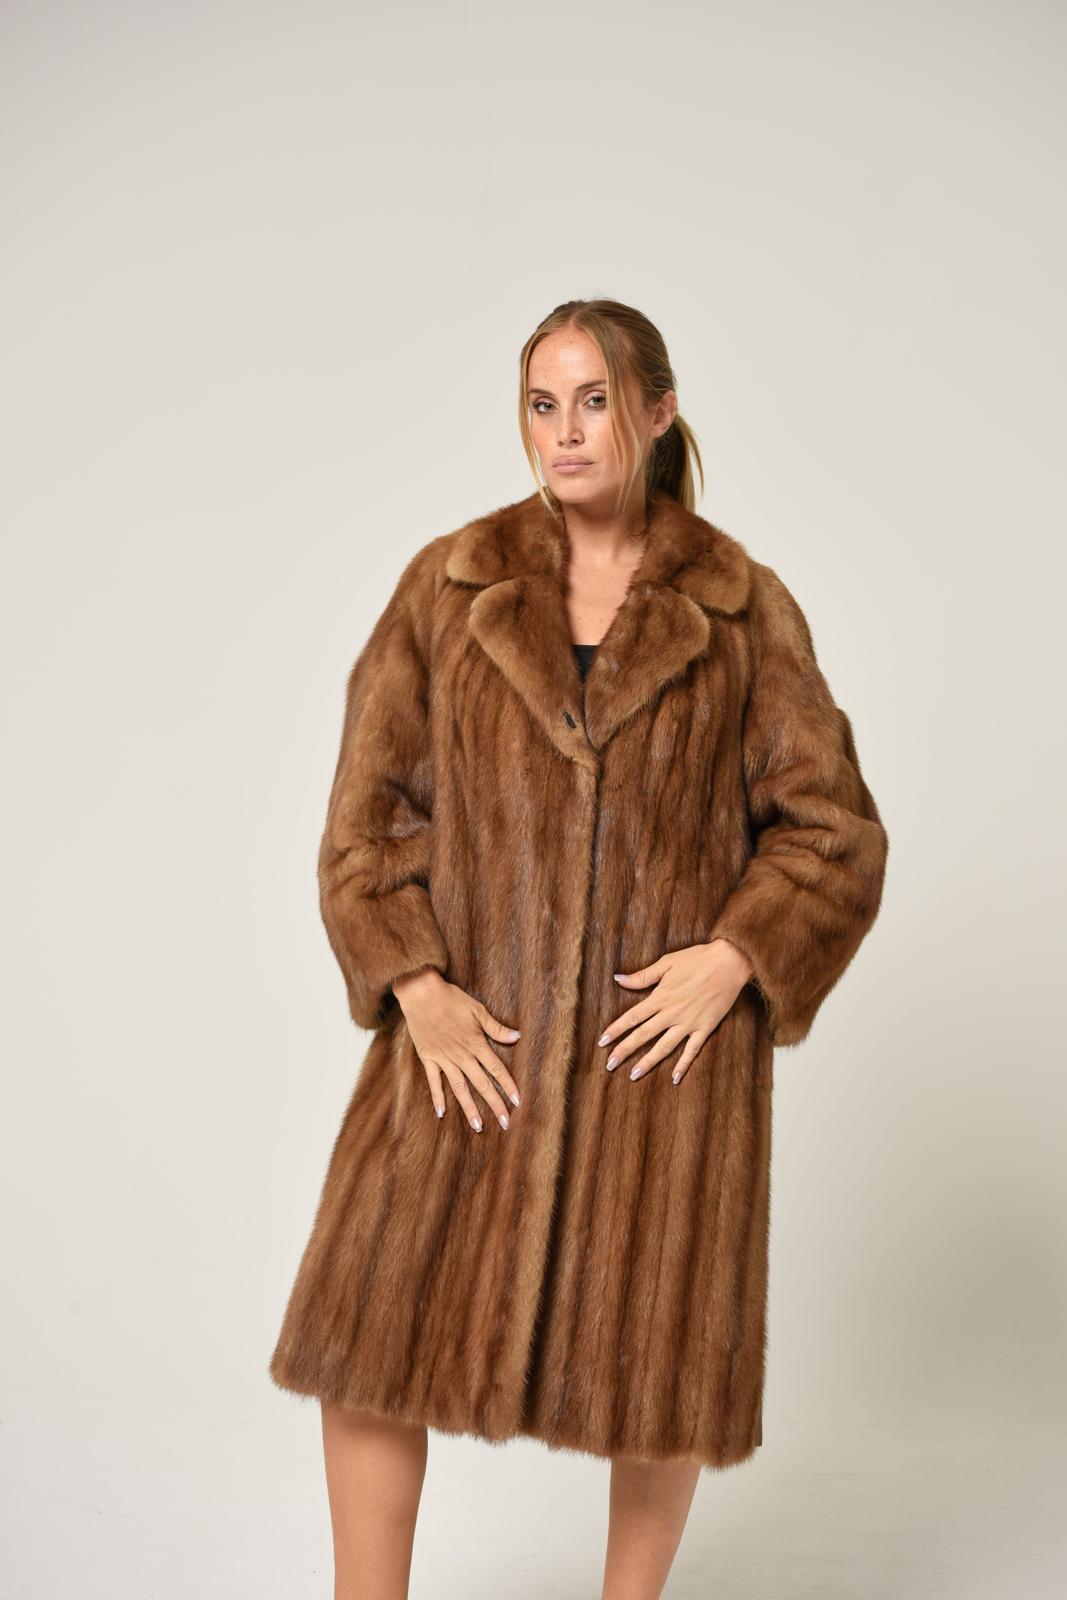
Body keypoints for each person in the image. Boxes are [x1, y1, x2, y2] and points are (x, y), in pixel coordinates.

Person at [269, 298, 889, 1600]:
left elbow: (832, 830)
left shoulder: (740, 608)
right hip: (470, 1039)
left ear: (657, 412)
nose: (565, 432)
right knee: (365, 1335)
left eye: (595, 401)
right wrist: (415, 983)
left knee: (658, 1369)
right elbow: (368, 815)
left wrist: (736, 959)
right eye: (542, 405)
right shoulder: (451, 587)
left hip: (656, 1063)